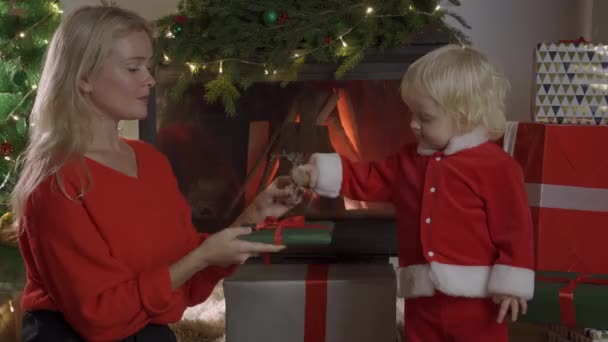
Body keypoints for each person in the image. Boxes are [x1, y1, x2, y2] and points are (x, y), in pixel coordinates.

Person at [11, 5, 301, 342]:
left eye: (148, 67)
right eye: (133, 68)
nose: (149, 79)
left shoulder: (150, 161)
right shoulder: (57, 181)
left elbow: (183, 271)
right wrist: (200, 257)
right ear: (84, 78)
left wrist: (253, 215)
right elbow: (99, 317)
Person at [292, 44, 535, 342]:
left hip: (478, 303)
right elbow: (369, 178)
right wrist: (322, 172)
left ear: (465, 116)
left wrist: (511, 283)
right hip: (422, 298)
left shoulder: (498, 167)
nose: (413, 124)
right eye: (412, 114)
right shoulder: (408, 161)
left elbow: (515, 228)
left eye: (426, 117)